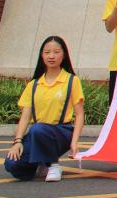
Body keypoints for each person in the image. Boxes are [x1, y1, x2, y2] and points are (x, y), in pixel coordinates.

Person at [5, 36, 84, 182]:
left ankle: (53, 165)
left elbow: (79, 114)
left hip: (62, 132)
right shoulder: (34, 84)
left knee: (38, 129)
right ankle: (41, 162)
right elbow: (25, 117)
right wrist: (17, 142)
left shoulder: (72, 80)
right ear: (42, 55)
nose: (51, 56)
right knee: (12, 165)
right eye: (47, 52)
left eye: (56, 52)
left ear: (64, 55)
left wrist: (74, 142)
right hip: (37, 134)